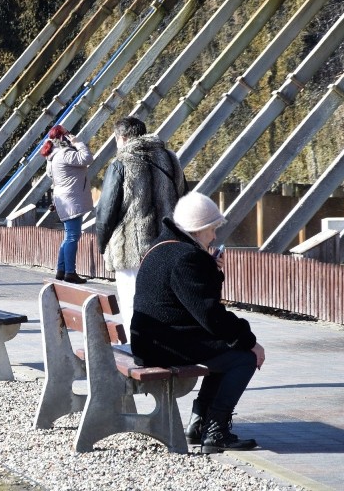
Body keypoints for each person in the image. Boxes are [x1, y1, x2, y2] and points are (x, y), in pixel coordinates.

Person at [131, 192, 264, 454]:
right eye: (212, 229)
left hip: (151, 340)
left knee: (223, 350)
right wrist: (251, 342)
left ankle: (199, 424)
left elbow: (194, 303)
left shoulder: (162, 247)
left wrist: (210, 271)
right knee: (242, 357)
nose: (214, 237)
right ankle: (216, 432)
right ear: (199, 229)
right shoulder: (187, 258)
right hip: (164, 346)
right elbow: (211, 315)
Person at [94, 116, 186, 330]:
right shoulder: (171, 160)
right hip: (168, 246)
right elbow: (184, 200)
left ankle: (138, 353)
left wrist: (103, 244)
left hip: (132, 250)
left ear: (123, 138)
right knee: (166, 304)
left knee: (132, 305)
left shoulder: (120, 164)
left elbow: (106, 210)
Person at [40, 125, 93, 283]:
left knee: (68, 236)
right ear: (63, 137)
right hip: (71, 200)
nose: (71, 137)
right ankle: (70, 272)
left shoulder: (52, 156)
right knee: (72, 237)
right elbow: (87, 158)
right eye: (68, 134)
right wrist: (78, 142)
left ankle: (61, 270)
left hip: (63, 199)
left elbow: (51, 175)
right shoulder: (65, 153)